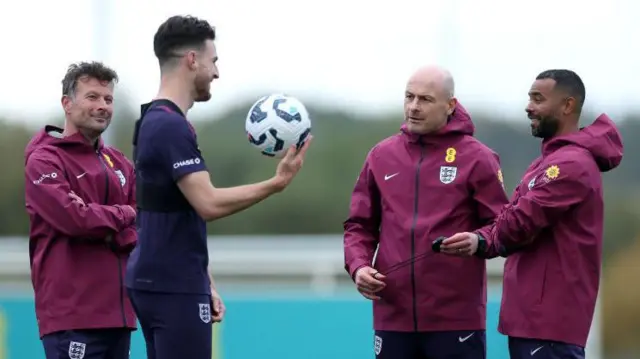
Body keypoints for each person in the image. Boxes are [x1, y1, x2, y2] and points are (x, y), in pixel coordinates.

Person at [125, 15, 312, 359]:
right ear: (192, 60)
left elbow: (173, 211)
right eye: (213, 61)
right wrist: (277, 183)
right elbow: (207, 203)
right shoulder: (168, 126)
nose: (216, 72)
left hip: (164, 279)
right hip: (172, 285)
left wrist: (204, 280)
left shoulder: (153, 120)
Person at [440, 69, 624, 359]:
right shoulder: (551, 161)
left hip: (549, 324)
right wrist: (482, 236)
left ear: (567, 106)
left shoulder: (570, 165)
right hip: (537, 322)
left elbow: (519, 222)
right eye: (529, 98)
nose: (529, 107)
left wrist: (481, 240)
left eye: (538, 99)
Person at [343, 65, 509, 359]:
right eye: (409, 97)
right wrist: (358, 267)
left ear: (450, 105)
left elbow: (502, 226)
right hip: (392, 316)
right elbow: (359, 225)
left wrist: (477, 240)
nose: (414, 107)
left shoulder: (478, 158)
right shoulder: (381, 156)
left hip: (456, 320)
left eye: (425, 99)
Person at [24, 61, 137, 359]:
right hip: (72, 317)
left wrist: (118, 229)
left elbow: (145, 218)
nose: (102, 106)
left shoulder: (121, 163)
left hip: (119, 317)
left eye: (108, 99)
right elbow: (76, 219)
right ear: (67, 104)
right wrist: (123, 216)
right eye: (92, 97)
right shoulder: (44, 160)